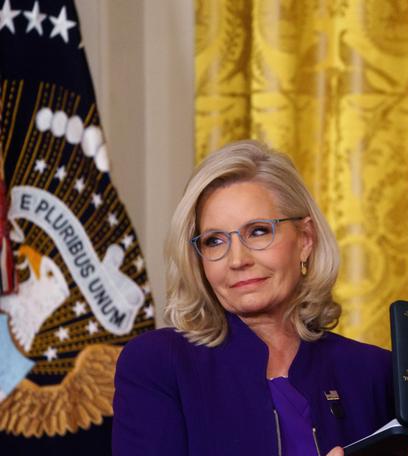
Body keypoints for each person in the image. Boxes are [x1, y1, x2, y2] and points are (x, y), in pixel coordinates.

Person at [112, 140, 393, 455]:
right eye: (214, 240)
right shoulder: (159, 363)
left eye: (258, 231)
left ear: (305, 239)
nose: (237, 259)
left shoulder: (373, 372)